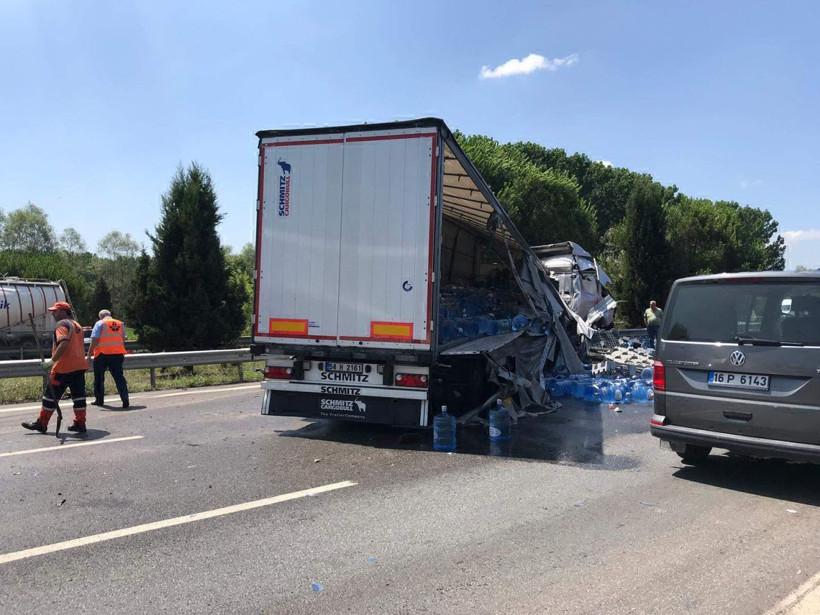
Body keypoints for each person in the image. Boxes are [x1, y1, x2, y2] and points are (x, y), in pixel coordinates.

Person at [22, 301, 88, 434]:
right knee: (79, 397)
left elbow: (63, 343)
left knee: (49, 397)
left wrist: (51, 361)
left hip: (63, 368)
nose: (52, 313)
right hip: (79, 367)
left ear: (63, 312)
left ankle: (42, 423)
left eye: (55, 311)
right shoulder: (77, 325)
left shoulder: (62, 324)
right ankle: (80, 424)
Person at [86, 309, 130, 408]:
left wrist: (89, 355)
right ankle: (125, 399)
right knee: (119, 377)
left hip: (102, 354)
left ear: (100, 316)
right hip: (117, 354)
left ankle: (99, 400)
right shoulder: (120, 323)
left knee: (99, 378)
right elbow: (123, 338)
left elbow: (94, 340)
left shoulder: (100, 323)